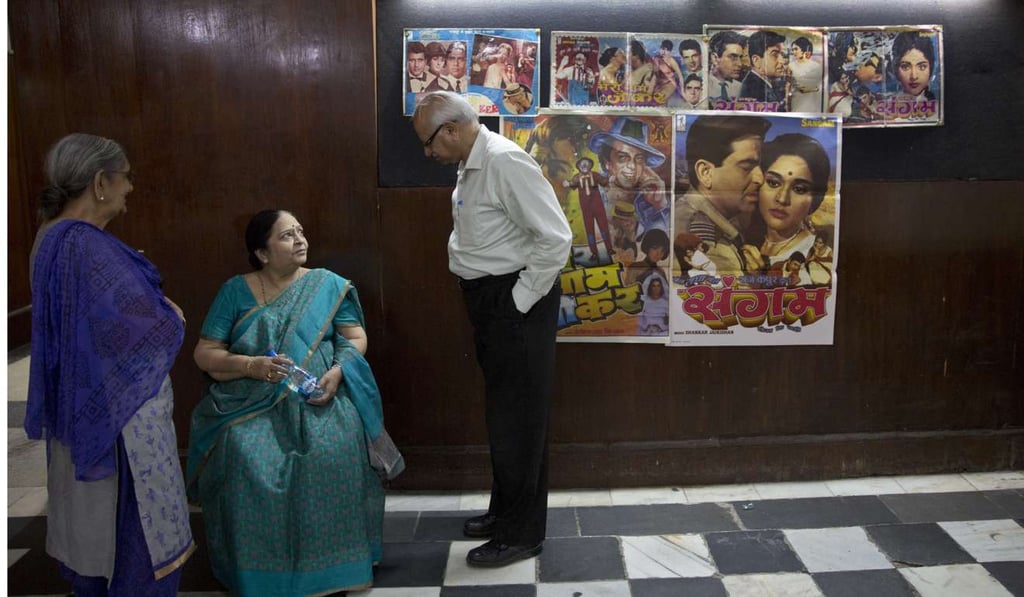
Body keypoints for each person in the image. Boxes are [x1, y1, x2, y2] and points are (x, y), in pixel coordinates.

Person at [186, 209, 400, 594]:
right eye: (287, 235)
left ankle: (339, 569)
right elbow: (205, 352)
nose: (300, 240)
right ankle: (258, 574)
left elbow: (354, 337)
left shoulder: (326, 285)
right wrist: (251, 365)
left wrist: (338, 372)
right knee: (243, 453)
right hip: (249, 401)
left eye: (301, 231)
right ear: (262, 253)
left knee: (335, 446)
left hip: (320, 396)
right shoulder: (235, 291)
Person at [26, 133, 193, 595]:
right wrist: (169, 314)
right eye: (126, 178)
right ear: (100, 182)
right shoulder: (84, 244)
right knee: (132, 536)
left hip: (80, 405)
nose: (130, 188)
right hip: (117, 421)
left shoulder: (50, 236)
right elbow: (141, 327)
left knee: (91, 530)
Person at [411, 91, 572, 568]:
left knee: (519, 421)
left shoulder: (504, 161)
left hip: (514, 300)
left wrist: (516, 304)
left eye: (428, 142)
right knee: (507, 416)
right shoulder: (471, 162)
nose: (427, 153)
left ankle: (521, 535)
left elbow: (556, 237)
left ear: (451, 130)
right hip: (491, 299)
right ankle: (505, 513)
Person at [674, 115, 772, 277]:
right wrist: (755, 282)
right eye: (747, 167)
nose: (760, 179)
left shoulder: (716, 222)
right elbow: (725, 292)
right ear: (705, 173)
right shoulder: (704, 235)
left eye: (760, 167)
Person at [742, 133, 833, 287]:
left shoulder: (817, 256)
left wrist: (758, 284)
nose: (782, 199)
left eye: (799, 189)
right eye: (773, 183)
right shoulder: (744, 239)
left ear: (814, 200)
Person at [588, 116, 669, 238]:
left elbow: (663, 241)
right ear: (607, 162)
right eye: (622, 157)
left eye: (639, 159)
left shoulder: (649, 198)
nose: (632, 166)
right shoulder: (593, 193)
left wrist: (660, 205)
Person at [563, 156, 612, 263]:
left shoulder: (595, 175)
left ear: (590, 165)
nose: (584, 166)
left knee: (604, 227)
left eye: (586, 164)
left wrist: (609, 179)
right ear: (579, 166)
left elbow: (604, 181)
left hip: (598, 205)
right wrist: (567, 184)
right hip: (586, 208)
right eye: (582, 164)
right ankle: (594, 253)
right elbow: (572, 184)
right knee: (589, 230)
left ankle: (609, 249)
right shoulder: (577, 177)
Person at [739, 29, 788, 105]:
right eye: (775, 55)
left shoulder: (760, 84)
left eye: (782, 55)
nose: (782, 61)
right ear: (756, 61)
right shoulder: (753, 90)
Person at [890, 30, 936, 100]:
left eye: (922, 67)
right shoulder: (886, 102)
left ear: (931, 68)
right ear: (896, 69)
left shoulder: (937, 102)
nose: (914, 76)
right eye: (905, 67)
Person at [708, 30, 747, 103]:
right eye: (733, 57)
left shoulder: (742, 89)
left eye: (740, 58)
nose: (740, 64)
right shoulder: (700, 86)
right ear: (715, 58)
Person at [788, 37, 824, 112]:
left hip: (813, 105)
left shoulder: (816, 66)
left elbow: (819, 87)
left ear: (803, 49)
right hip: (796, 104)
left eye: (796, 49)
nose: (794, 52)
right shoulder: (791, 66)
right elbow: (789, 86)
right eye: (792, 50)